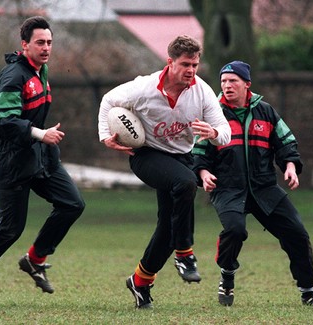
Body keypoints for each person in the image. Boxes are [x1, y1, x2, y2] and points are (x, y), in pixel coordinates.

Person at [98, 35, 231, 309]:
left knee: (166, 226)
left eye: (195, 64)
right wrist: (105, 137)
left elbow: (225, 133)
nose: (191, 70)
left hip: (180, 158)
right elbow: (108, 101)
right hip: (146, 155)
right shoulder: (143, 88)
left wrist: (214, 132)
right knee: (185, 183)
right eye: (185, 64)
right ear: (170, 63)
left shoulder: (202, 91)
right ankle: (184, 252)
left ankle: (140, 280)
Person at [0, 16, 85, 307]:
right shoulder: (14, 76)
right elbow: (2, 120)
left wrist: (43, 139)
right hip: (12, 161)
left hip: (41, 157)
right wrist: (39, 133)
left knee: (72, 204)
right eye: (40, 43)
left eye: (49, 43)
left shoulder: (39, 70)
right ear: (25, 45)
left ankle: (34, 259)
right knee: (10, 228)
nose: (46, 48)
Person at [192, 60, 313, 307]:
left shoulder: (266, 111)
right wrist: (203, 175)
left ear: (247, 84)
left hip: (264, 188)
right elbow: (198, 153)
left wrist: (290, 167)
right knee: (235, 230)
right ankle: (227, 273)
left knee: (297, 234)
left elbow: (286, 143)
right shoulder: (212, 114)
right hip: (228, 188)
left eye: (233, 81)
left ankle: (308, 291)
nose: (227, 85)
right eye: (223, 81)